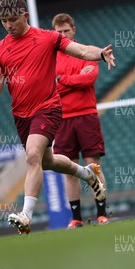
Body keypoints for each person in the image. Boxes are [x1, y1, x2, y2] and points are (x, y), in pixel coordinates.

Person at [0, 0, 115, 234]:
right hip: (21, 115)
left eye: (12, 19)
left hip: (48, 108)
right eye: (3, 21)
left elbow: (82, 51)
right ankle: (88, 175)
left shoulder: (48, 38)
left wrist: (101, 54)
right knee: (47, 161)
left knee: (32, 155)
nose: (8, 25)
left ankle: (26, 215)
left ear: (25, 16)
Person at [52, 13, 109, 228]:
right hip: (62, 119)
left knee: (93, 167)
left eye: (66, 31)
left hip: (86, 115)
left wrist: (63, 80)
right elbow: (51, 88)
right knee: (69, 170)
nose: (63, 35)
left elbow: (90, 78)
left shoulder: (87, 51)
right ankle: (75, 218)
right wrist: (73, 81)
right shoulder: (51, 58)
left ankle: (102, 214)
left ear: (73, 30)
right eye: (59, 33)